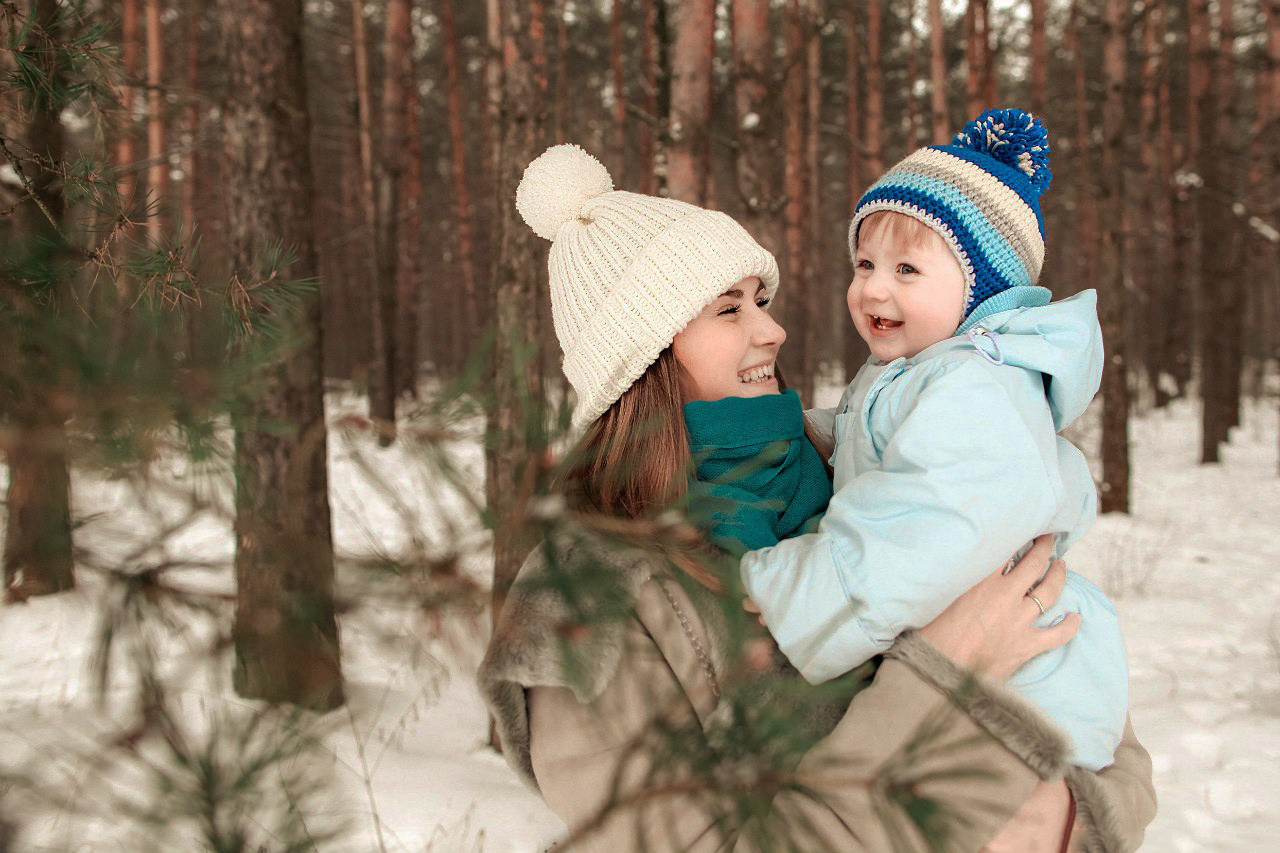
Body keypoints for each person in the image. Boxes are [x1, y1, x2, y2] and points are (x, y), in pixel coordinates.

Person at [477, 143, 1155, 852]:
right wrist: (942, 674)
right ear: (643, 356)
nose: (772, 328)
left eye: (761, 301)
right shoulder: (584, 600)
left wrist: (1066, 822)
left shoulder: (876, 466)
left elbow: (1110, 732)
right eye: (728, 309)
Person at [735, 109, 1126, 773]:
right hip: (980, 659)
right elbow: (890, 444)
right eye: (864, 263)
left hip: (1026, 688)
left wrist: (793, 588)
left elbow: (931, 522)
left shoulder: (978, 387)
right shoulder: (926, 371)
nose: (872, 287)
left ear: (984, 290)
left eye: (907, 269)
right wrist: (812, 431)